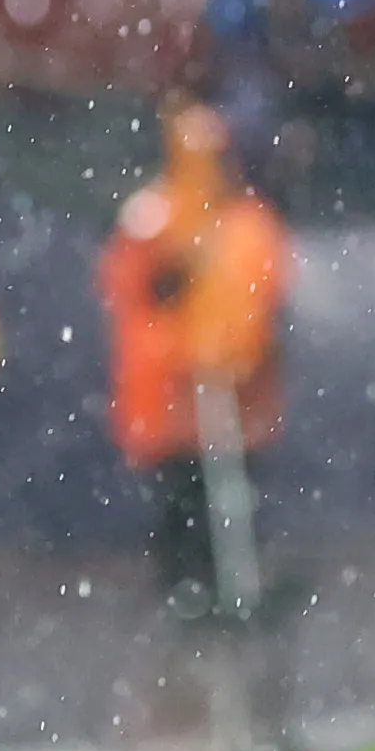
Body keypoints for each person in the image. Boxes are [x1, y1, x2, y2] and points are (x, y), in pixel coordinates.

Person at [96, 99, 291, 621]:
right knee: (184, 498)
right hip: (174, 397)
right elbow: (135, 291)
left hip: (232, 393)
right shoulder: (155, 219)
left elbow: (260, 294)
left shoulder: (245, 224)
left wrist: (234, 351)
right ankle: (188, 590)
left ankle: (227, 589)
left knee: (232, 496)